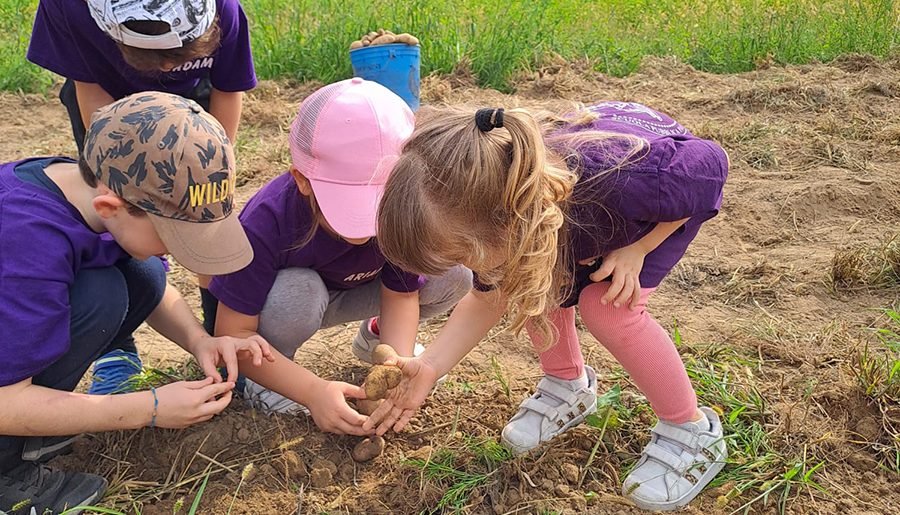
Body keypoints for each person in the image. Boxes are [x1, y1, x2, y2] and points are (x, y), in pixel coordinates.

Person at [369, 101, 730, 510]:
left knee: (606, 307)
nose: (465, 270)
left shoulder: (632, 182)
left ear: (505, 223)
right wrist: (430, 368)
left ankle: (691, 432)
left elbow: (710, 166)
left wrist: (640, 248)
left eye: (462, 257)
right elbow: (485, 300)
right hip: (567, 214)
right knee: (530, 280)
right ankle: (566, 384)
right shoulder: (492, 210)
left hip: (655, 214)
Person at [0, 92, 273, 514]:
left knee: (142, 274)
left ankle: (39, 432)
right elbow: (3, 402)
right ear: (111, 206)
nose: (178, 251)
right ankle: (5, 477)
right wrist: (149, 407)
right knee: (102, 294)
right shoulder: (26, 242)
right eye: (172, 236)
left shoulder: (97, 185)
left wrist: (200, 341)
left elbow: (157, 286)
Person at [207, 78, 471, 434]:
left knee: (451, 273)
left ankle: (375, 337)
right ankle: (270, 376)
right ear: (302, 179)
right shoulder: (266, 220)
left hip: (359, 290)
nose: (368, 226)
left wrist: (392, 368)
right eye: (351, 206)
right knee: (299, 292)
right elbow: (233, 332)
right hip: (283, 310)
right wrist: (312, 392)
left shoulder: (403, 210)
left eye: (380, 202)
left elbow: (402, 292)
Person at [28, 0, 256, 153]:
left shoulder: (222, 7)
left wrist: (219, 166)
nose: (167, 67)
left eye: (179, 55)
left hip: (193, 93)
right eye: (156, 58)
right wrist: (113, 171)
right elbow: (90, 89)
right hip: (107, 83)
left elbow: (227, 89)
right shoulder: (70, 7)